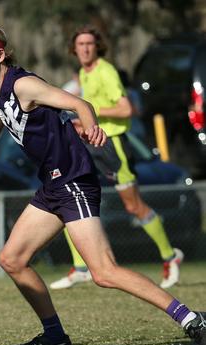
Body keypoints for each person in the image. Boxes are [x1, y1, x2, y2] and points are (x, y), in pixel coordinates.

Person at [0, 24, 206, 345]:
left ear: (0, 55)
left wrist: (91, 123)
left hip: (74, 181)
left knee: (104, 271)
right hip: (53, 185)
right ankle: (54, 335)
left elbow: (79, 103)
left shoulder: (25, 85)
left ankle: (193, 320)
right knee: (12, 259)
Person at [50, 26, 184, 290]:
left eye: (90, 43)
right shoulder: (83, 74)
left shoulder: (105, 71)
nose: (86, 48)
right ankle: (80, 268)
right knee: (68, 195)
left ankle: (170, 256)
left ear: (97, 46)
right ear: (74, 49)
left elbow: (126, 108)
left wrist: (88, 108)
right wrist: (80, 123)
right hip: (91, 144)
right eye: (81, 44)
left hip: (112, 146)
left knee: (134, 206)